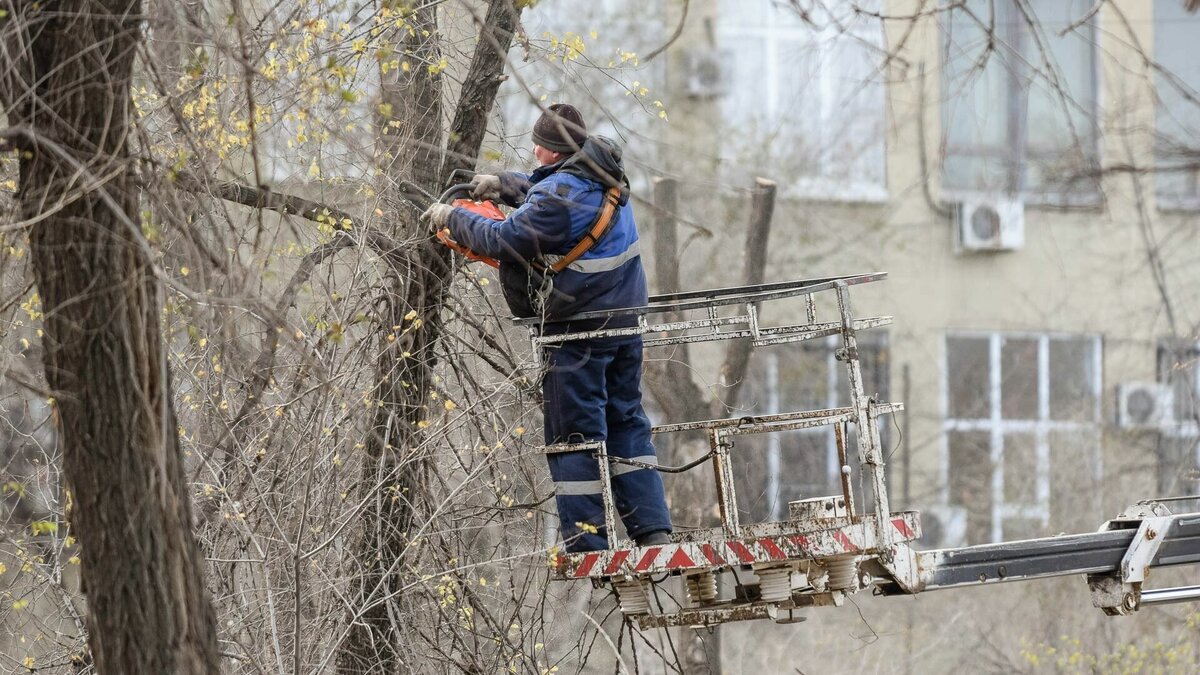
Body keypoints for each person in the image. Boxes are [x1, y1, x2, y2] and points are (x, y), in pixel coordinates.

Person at [421, 103, 672, 552]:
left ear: (554, 150)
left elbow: (504, 238)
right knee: (626, 421)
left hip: (579, 330)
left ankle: (589, 546)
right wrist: (503, 184)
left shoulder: (558, 198)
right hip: (624, 323)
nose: (534, 152)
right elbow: (553, 194)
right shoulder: (603, 175)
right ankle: (652, 530)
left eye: (539, 146)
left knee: (575, 433)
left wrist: (453, 217)